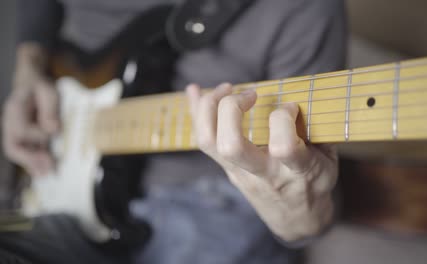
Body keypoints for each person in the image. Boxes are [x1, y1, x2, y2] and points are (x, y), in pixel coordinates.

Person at [1, 0, 346, 263]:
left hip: (206, 193)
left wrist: (298, 209)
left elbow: (305, 216)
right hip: (57, 140)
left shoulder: (306, 9)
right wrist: (27, 70)